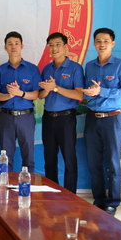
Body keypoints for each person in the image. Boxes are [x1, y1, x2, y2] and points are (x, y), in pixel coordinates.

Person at [82, 27, 121, 216]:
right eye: (98, 41)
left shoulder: (120, 65)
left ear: (112, 43)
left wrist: (101, 91)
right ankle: (99, 200)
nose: (101, 44)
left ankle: (112, 202)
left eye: (105, 41)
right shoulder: (89, 66)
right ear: (94, 43)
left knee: (113, 161)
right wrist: (88, 94)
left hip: (112, 118)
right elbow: (88, 92)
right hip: (92, 118)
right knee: (94, 162)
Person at [38, 32, 84, 194]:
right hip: (48, 118)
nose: (54, 48)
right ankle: (51, 194)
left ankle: (70, 196)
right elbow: (41, 95)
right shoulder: (47, 68)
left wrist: (56, 88)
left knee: (69, 159)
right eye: (51, 45)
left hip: (66, 118)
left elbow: (79, 95)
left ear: (65, 47)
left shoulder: (75, 68)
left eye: (57, 44)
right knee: (49, 160)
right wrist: (46, 89)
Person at [0, 31, 42, 172]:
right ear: (5, 47)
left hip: (26, 117)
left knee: (28, 155)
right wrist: (9, 95)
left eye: (16, 43)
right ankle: (6, 184)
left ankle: (27, 184)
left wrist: (20, 93)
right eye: (10, 44)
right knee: (6, 157)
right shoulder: (0, 71)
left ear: (22, 46)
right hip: (6, 117)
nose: (13, 46)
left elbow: (36, 94)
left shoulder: (32, 69)